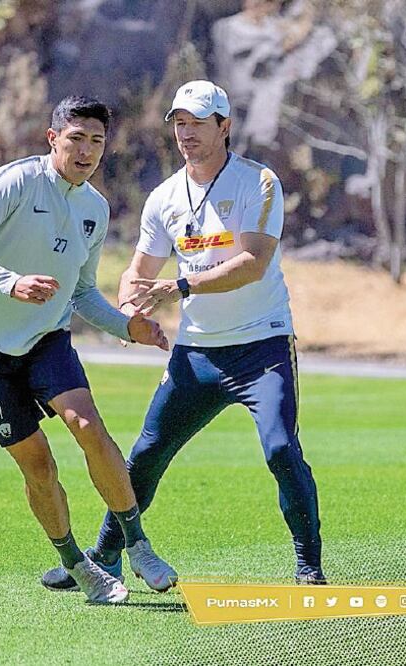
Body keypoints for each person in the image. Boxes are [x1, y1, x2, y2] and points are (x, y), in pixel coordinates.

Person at [41, 80, 325, 590]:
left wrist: (180, 285)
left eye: (197, 123)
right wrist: (131, 308)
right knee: (146, 455)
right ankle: (105, 556)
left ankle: (309, 567)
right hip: (197, 354)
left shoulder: (258, 182)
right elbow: (138, 271)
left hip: (262, 346)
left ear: (224, 126)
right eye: (178, 123)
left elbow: (254, 263)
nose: (185, 133)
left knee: (282, 449)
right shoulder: (165, 196)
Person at [0, 96, 178, 604]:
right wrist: (10, 283)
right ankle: (79, 566)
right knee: (39, 464)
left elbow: (82, 291)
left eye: (97, 142)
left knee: (88, 426)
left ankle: (138, 544)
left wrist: (126, 326)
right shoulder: (16, 182)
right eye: (76, 139)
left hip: (46, 339)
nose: (87, 151)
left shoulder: (95, 207)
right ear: (53, 139)